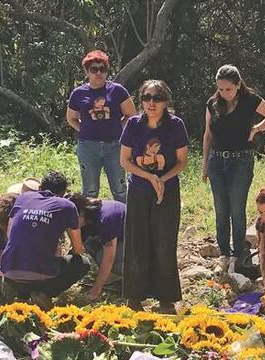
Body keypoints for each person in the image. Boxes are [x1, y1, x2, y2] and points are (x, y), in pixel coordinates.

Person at [202, 65, 265, 274]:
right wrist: (205, 165)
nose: (225, 94)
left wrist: (257, 129)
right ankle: (223, 254)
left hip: (241, 160)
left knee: (237, 208)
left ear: (238, 85)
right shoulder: (212, 104)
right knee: (220, 209)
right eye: (221, 90)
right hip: (217, 160)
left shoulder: (250, 100)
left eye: (228, 89)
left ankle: (238, 254)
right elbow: (208, 135)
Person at [119, 80, 188, 313]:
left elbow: (182, 161)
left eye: (156, 98)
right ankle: (134, 297)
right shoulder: (133, 125)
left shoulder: (175, 125)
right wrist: (150, 178)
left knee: (164, 241)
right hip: (139, 188)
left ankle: (166, 298)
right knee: (137, 240)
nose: (151, 103)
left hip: (167, 189)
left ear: (165, 102)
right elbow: (125, 160)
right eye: (146, 98)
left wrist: (162, 179)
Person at [0, 171, 88, 307]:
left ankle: (22, 295)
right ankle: (44, 293)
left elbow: (10, 234)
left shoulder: (23, 198)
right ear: (63, 193)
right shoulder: (67, 206)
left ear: (40, 188)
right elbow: (78, 248)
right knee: (82, 263)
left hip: (9, 271)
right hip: (41, 276)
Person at [66, 50, 136, 203]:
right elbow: (71, 118)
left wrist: (119, 127)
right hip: (88, 147)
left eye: (102, 69)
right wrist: (84, 129)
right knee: (89, 190)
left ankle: (124, 222)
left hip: (115, 146)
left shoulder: (117, 90)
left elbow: (131, 114)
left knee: (120, 189)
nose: (99, 73)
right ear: (86, 71)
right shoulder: (78, 93)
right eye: (94, 69)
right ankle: (91, 224)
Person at [67, 193, 124, 301]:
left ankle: (129, 276)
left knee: (106, 259)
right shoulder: (86, 217)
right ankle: (109, 275)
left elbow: (109, 257)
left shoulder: (106, 219)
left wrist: (96, 289)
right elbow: (76, 249)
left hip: (134, 241)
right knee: (90, 244)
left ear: (82, 213)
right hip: (116, 237)